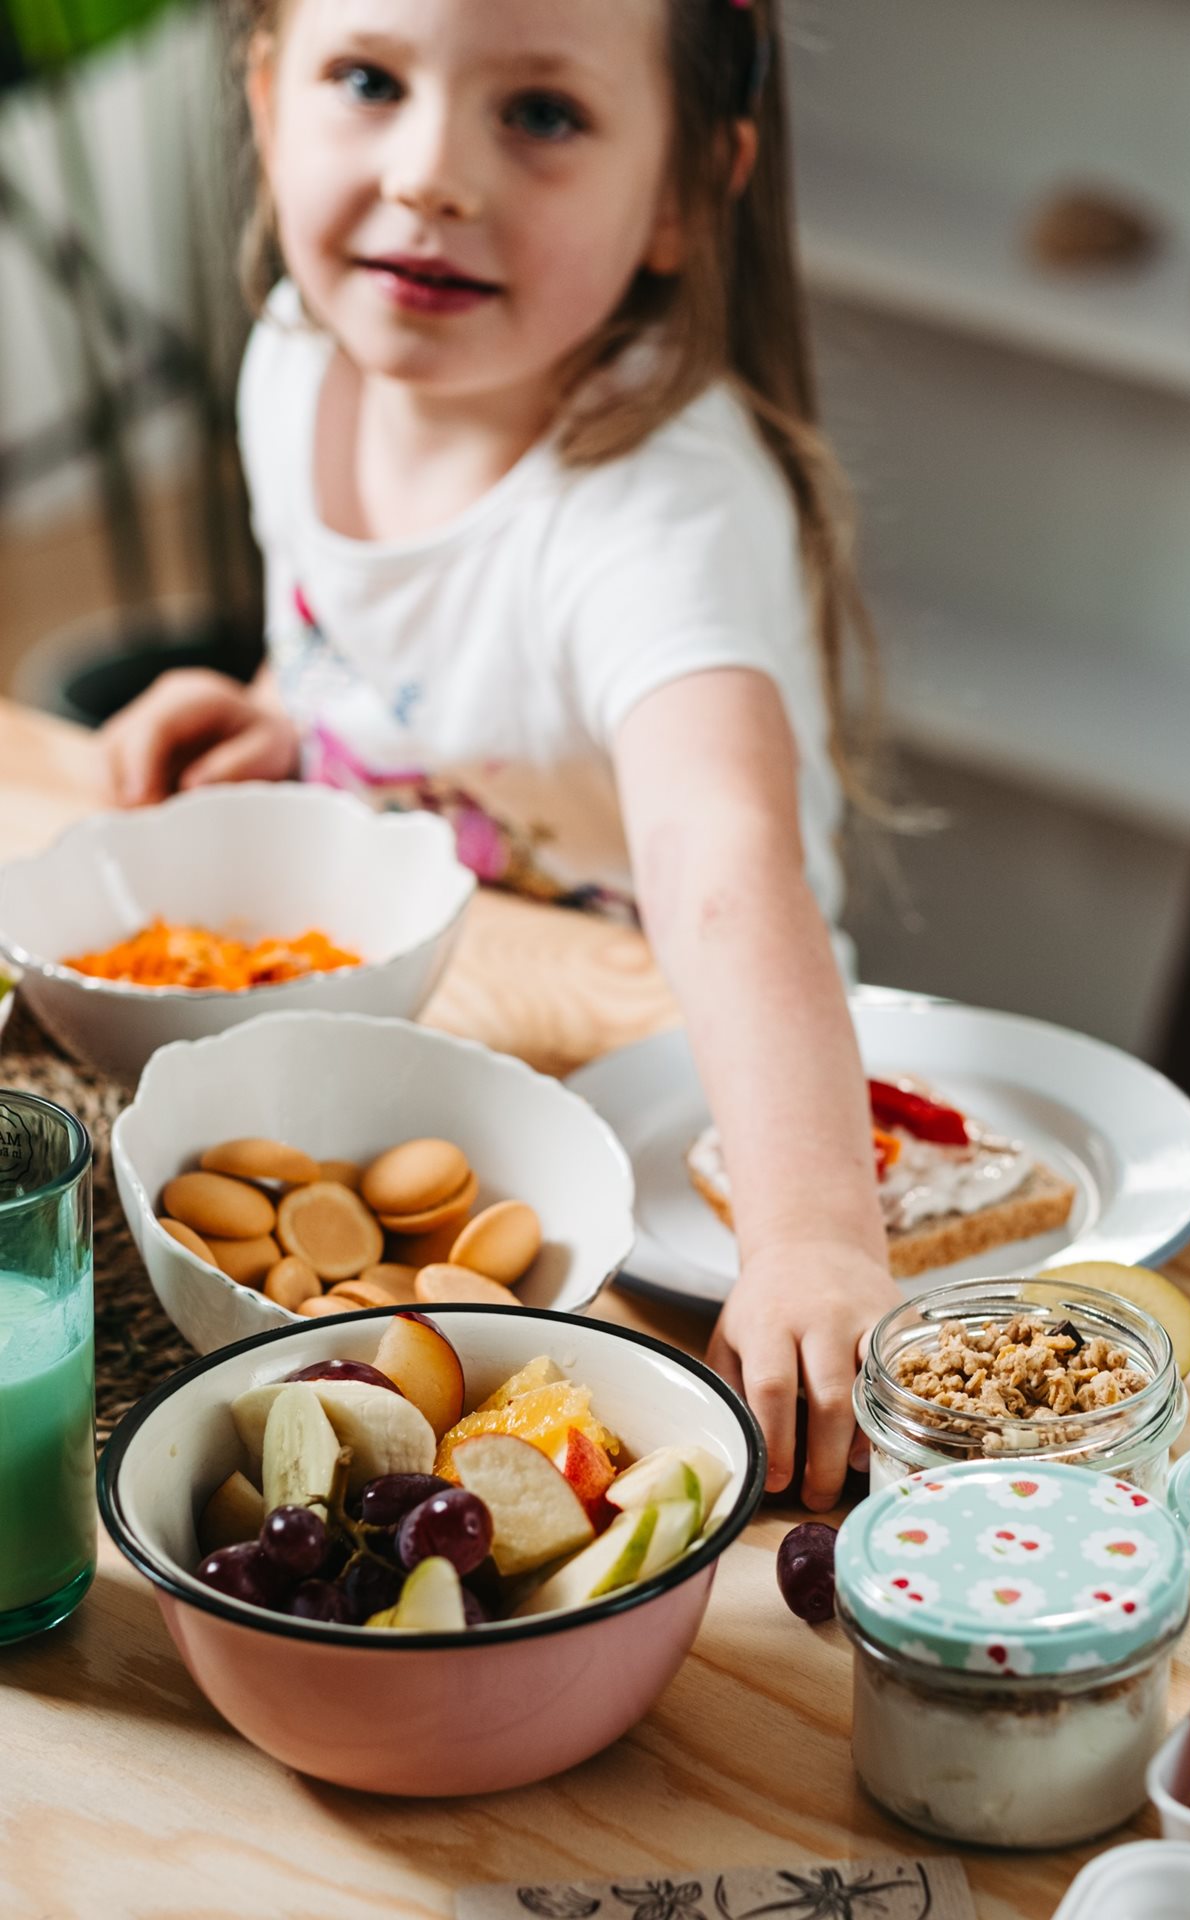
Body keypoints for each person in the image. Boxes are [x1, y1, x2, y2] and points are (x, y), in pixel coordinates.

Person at [99, 0, 901, 1508]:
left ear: (682, 193)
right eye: (366, 80)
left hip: (701, 1124)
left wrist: (811, 1238)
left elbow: (720, 856)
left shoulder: (655, 508)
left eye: (538, 115)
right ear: (268, 98)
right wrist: (295, 713)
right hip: (464, 1074)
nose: (430, 174)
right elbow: (378, 646)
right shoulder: (299, 358)